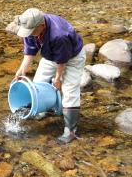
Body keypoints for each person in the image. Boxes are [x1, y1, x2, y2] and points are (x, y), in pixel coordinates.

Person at [6, 8, 86, 144]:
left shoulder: (59, 35)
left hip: (71, 57)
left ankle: (70, 131)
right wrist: (22, 69)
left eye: (32, 32)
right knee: (37, 83)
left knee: (69, 91)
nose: (29, 34)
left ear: (42, 26)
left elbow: (62, 60)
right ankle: (43, 109)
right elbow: (30, 49)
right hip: (50, 55)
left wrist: (58, 78)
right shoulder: (31, 25)